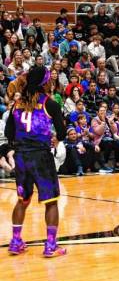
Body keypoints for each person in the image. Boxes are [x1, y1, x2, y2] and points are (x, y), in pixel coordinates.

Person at [6, 66, 67, 257]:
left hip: (22, 157)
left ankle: (16, 241)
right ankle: (50, 245)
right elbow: (63, 132)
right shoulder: (50, 103)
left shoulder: (17, 104)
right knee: (51, 202)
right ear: (45, 82)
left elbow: (8, 133)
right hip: (41, 157)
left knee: (22, 200)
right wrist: (54, 138)